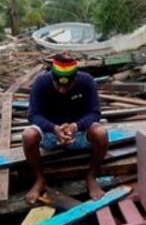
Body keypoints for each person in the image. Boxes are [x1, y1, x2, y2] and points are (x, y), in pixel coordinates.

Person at [22, 53, 109, 204]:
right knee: (28, 135)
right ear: (52, 78)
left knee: (101, 133)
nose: (62, 90)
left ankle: (91, 176)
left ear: (75, 79)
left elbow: (95, 113)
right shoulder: (41, 82)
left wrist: (76, 126)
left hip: (80, 133)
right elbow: (33, 114)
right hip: (51, 134)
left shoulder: (86, 81)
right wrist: (54, 128)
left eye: (67, 86)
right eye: (58, 86)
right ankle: (40, 179)